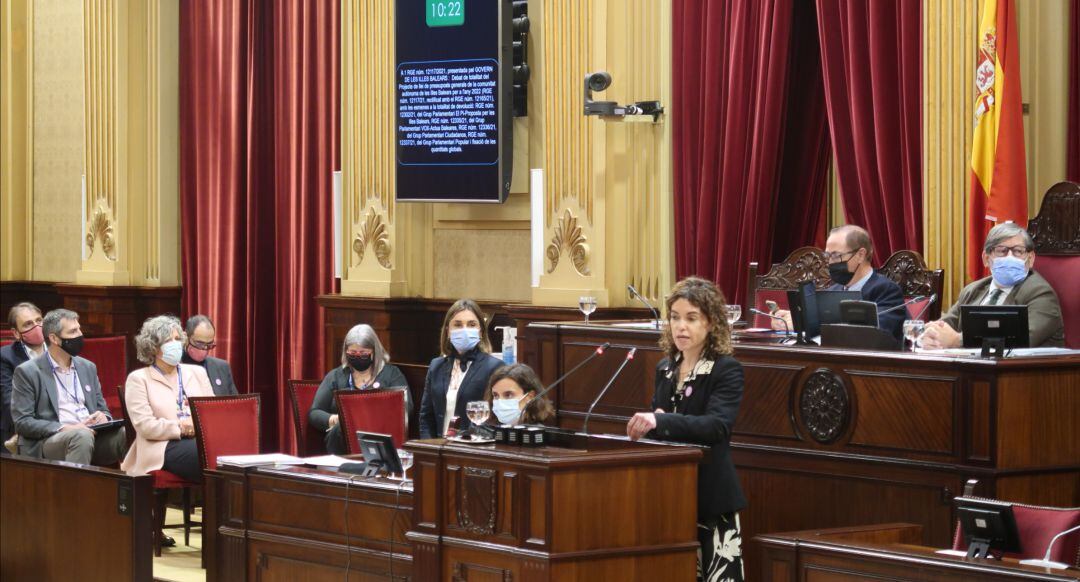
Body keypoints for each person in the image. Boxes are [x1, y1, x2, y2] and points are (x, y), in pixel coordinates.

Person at [627, 277, 746, 581]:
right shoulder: (665, 368)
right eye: (675, 317)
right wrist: (648, 427)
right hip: (671, 493)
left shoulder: (725, 369)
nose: (681, 326)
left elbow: (716, 426)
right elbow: (662, 422)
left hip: (710, 494)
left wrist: (660, 420)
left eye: (691, 318)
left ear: (711, 323)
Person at [922, 223, 1065, 349]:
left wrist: (957, 340)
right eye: (1001, 250)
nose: (1010, 257)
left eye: (1018, 251)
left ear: (1031, 258)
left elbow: (1019, 340)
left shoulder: (1041, 294)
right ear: (986, 258)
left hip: (1024, 376)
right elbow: (943, 327)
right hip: (969, 372)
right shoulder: (973, 290)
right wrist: (931, 336)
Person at [10, 309, 125, 465]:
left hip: (92, 434)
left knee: (127, 433)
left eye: (79, 329)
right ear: (54, 338)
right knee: (81, 436)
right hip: (49, 440)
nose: (80, 335)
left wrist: (104, 417)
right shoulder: (28, 372)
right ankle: (74, 489)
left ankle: (132, 489)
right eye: (73, 331)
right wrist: (65, 428)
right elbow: (23, 422)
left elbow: (102, 408)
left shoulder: (87, 367)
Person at [772, 225, 907, 340]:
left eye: (836, 256)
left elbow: (873, 333)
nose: (830, 262)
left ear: (860, 255)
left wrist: (815, 326)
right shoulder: (832, 291)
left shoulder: (887, 290)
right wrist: (793, 321)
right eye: (827, 256)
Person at [120, 315, 214, 483]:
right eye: (168, 340)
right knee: (206, 455)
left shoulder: (197, 373)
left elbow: (212, 413)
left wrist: (196, 427)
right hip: (161, 446)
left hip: (199, 440)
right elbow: (145, 426)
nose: (176, 344)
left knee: (225, 454)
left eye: (178, 339)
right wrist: (182, 428)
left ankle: (225, 507)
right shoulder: (139, 379)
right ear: (154, 347)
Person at [309, 323, 411, 455]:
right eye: (352, 353)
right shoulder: (336, 376)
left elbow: (407, 407)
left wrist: (372, 417)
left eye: (363, 353)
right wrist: (333, 419)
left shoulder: (391, 374)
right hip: (342, 441)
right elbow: (314, 412)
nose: (358, 356)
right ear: (346, 352)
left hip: (379, 435)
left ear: (374, 351)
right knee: (341, 428)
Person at [419, 299, 503, 438]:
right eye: (458, 325)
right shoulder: (436, 366)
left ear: (480, 332)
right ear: (448, 331)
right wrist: (429, 448)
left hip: (471, 449)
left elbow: (494, 419)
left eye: (471, 324)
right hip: (439, 448)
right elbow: (426, 417)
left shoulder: (494, 367)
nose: (465, 330)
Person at [2, 303, 47, 446]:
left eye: (39, 320)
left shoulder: (59, 349)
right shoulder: (6, 357)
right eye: (28, 324)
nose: (37, 327)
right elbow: (9, 399)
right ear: (16, 333)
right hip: (23, 424)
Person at [181, 314, 238, 396]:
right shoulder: (173, 367)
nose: (204, 349)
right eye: (199, 343)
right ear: (186, 338)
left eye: (209, 344)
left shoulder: (222, 367)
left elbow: (234, 403)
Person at [484, 363, 555, 426]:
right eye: (496, 395)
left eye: (508, 395)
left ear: (530, 397)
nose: (500, 401)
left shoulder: (539, 435)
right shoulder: (488, 430)